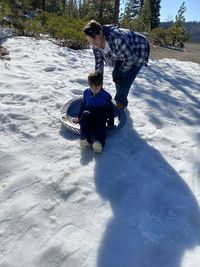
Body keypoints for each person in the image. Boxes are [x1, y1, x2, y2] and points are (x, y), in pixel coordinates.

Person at [83, 20, 150, 109]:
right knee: (116, 75)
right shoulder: (96, 44)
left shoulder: (117, 39)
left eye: (94, 40)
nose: (93, 44)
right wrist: (98, 84)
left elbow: (130, 58)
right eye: (90, 41)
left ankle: (120, 104)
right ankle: (120, 96)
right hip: (122, 53)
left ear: (101, 32)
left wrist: (121, 73)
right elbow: (99, 64)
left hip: (138, 49)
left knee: (124, 80)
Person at [72, 71, 115, 153]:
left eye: (97, 88)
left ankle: (99, 142)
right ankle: (85, 139)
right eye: (92, 87)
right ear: (89, 85)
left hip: (100, 113)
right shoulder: (86, 92)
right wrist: (79, 116)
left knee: (101, 124)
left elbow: (110, 108)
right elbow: (83, 105)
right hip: (89, 113)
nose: (94, 90)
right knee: (85, 117)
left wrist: (111, 119)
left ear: (101, 85)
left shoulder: (106, 96)